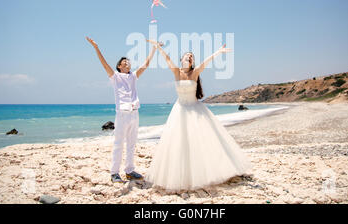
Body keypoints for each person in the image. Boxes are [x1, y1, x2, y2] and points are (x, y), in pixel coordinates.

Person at [145, 40, 251, 191]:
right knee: (179, 144)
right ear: (181, 59)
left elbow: (206, 62)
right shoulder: (176, 71)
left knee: (202, 143)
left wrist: (218, 53)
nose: (189, 58)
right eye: (187, 56)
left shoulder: (195, 73)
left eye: (191, 57)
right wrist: (158, 47)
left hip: (195, 110)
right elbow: (167, 58)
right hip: (180, 110)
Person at [86, 36, 160, 183]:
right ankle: (114, 173)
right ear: (119, 66)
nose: (127, 63)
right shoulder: (115, 77)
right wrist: (96, 47)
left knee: (132, 143)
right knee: (119, 143)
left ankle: (130, 170)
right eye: (124, 62)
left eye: (128, 62)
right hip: (122, 114)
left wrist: (154, 48)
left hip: (134, 113)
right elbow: (104, 64)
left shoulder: (133, 76)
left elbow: (146, 64)